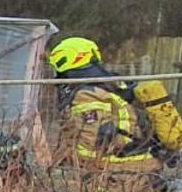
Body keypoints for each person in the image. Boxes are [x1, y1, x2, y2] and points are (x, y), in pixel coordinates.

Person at [48, 37, 163, 177]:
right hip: (138, 164)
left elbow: (91, 145)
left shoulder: (87, 94)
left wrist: (71, 163)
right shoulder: (112, 84)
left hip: (118, 170)